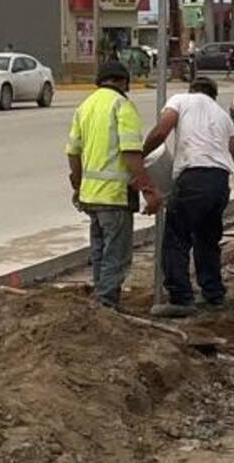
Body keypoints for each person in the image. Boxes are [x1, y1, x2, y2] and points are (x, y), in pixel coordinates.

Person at [66, 60, 161, 309]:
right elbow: (131, 153)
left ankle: (99, 302)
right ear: (122, 81)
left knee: (99, 252)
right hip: (114, 197)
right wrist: (149, 190)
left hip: (91, 197)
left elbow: (73, 152)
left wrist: (77, 186)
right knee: (116, 256)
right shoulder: (121, 105)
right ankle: (106, 305)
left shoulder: (85, 106)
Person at [141, 75, 234, 318]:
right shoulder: (223, 116)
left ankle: (181, 299)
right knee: (207, 239)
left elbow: (161, 132)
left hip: (194, 177)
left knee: (176, 238)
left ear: (192, 89)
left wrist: (140, 155)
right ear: (214, 95)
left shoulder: (181, 100)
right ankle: (214, 294)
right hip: (220, 181)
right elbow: (231, 152)